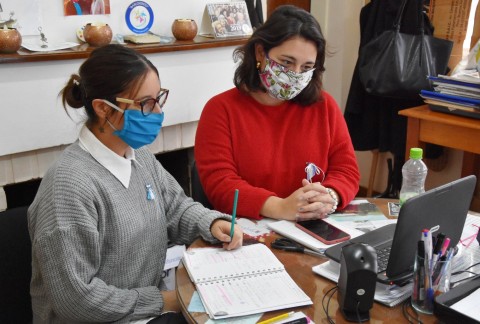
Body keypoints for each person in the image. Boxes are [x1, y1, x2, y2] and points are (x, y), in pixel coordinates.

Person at [28, 44, 243, 324]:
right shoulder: (68, 187)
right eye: (145, 104)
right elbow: (76, 301)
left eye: (159, 98)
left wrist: (212, 223)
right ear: (104, 109)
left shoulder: (137, 155)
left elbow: (175, 209)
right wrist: (164, 300)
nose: (157, 112)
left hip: (140, 311)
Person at [195, 5, 360, 221]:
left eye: (306, 67)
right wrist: (280, 207)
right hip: (247, 231)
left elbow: (346, 170)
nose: (295, 74)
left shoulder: (324, 106)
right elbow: (220, 184)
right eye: (287, 62)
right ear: (260, 52)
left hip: (311, 226)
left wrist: (330, 196)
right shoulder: (220, 110)